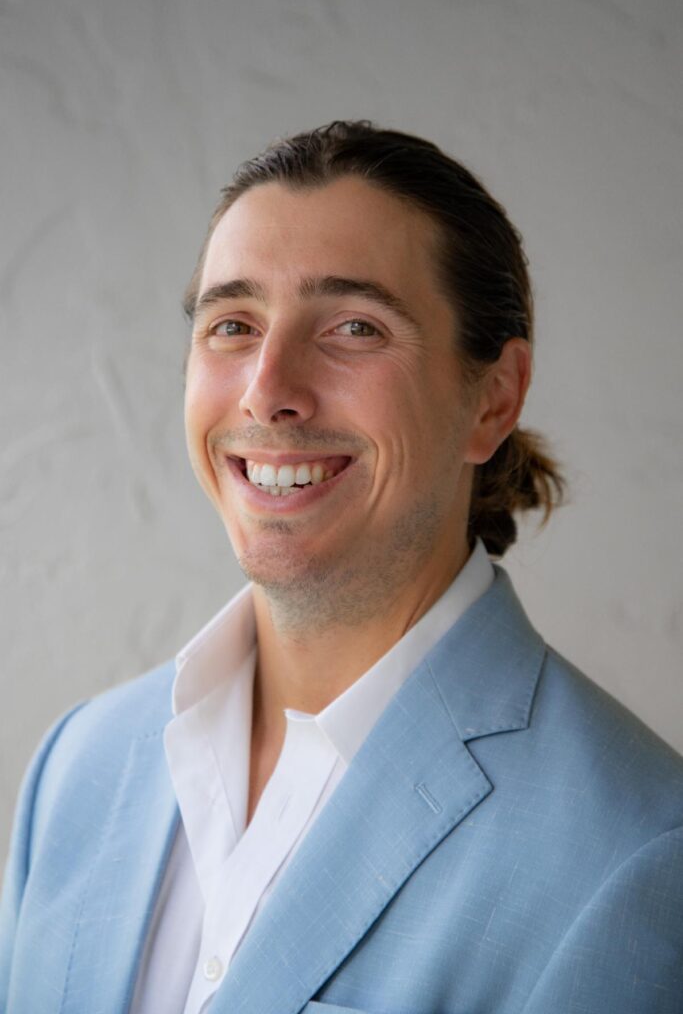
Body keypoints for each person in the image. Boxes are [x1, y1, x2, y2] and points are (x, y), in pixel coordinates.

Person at [1, 121, 682, 1014]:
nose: (266, 389)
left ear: (492, 399)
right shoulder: (77, 766)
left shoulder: (636, 855)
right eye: (232, 325)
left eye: (354, 327)